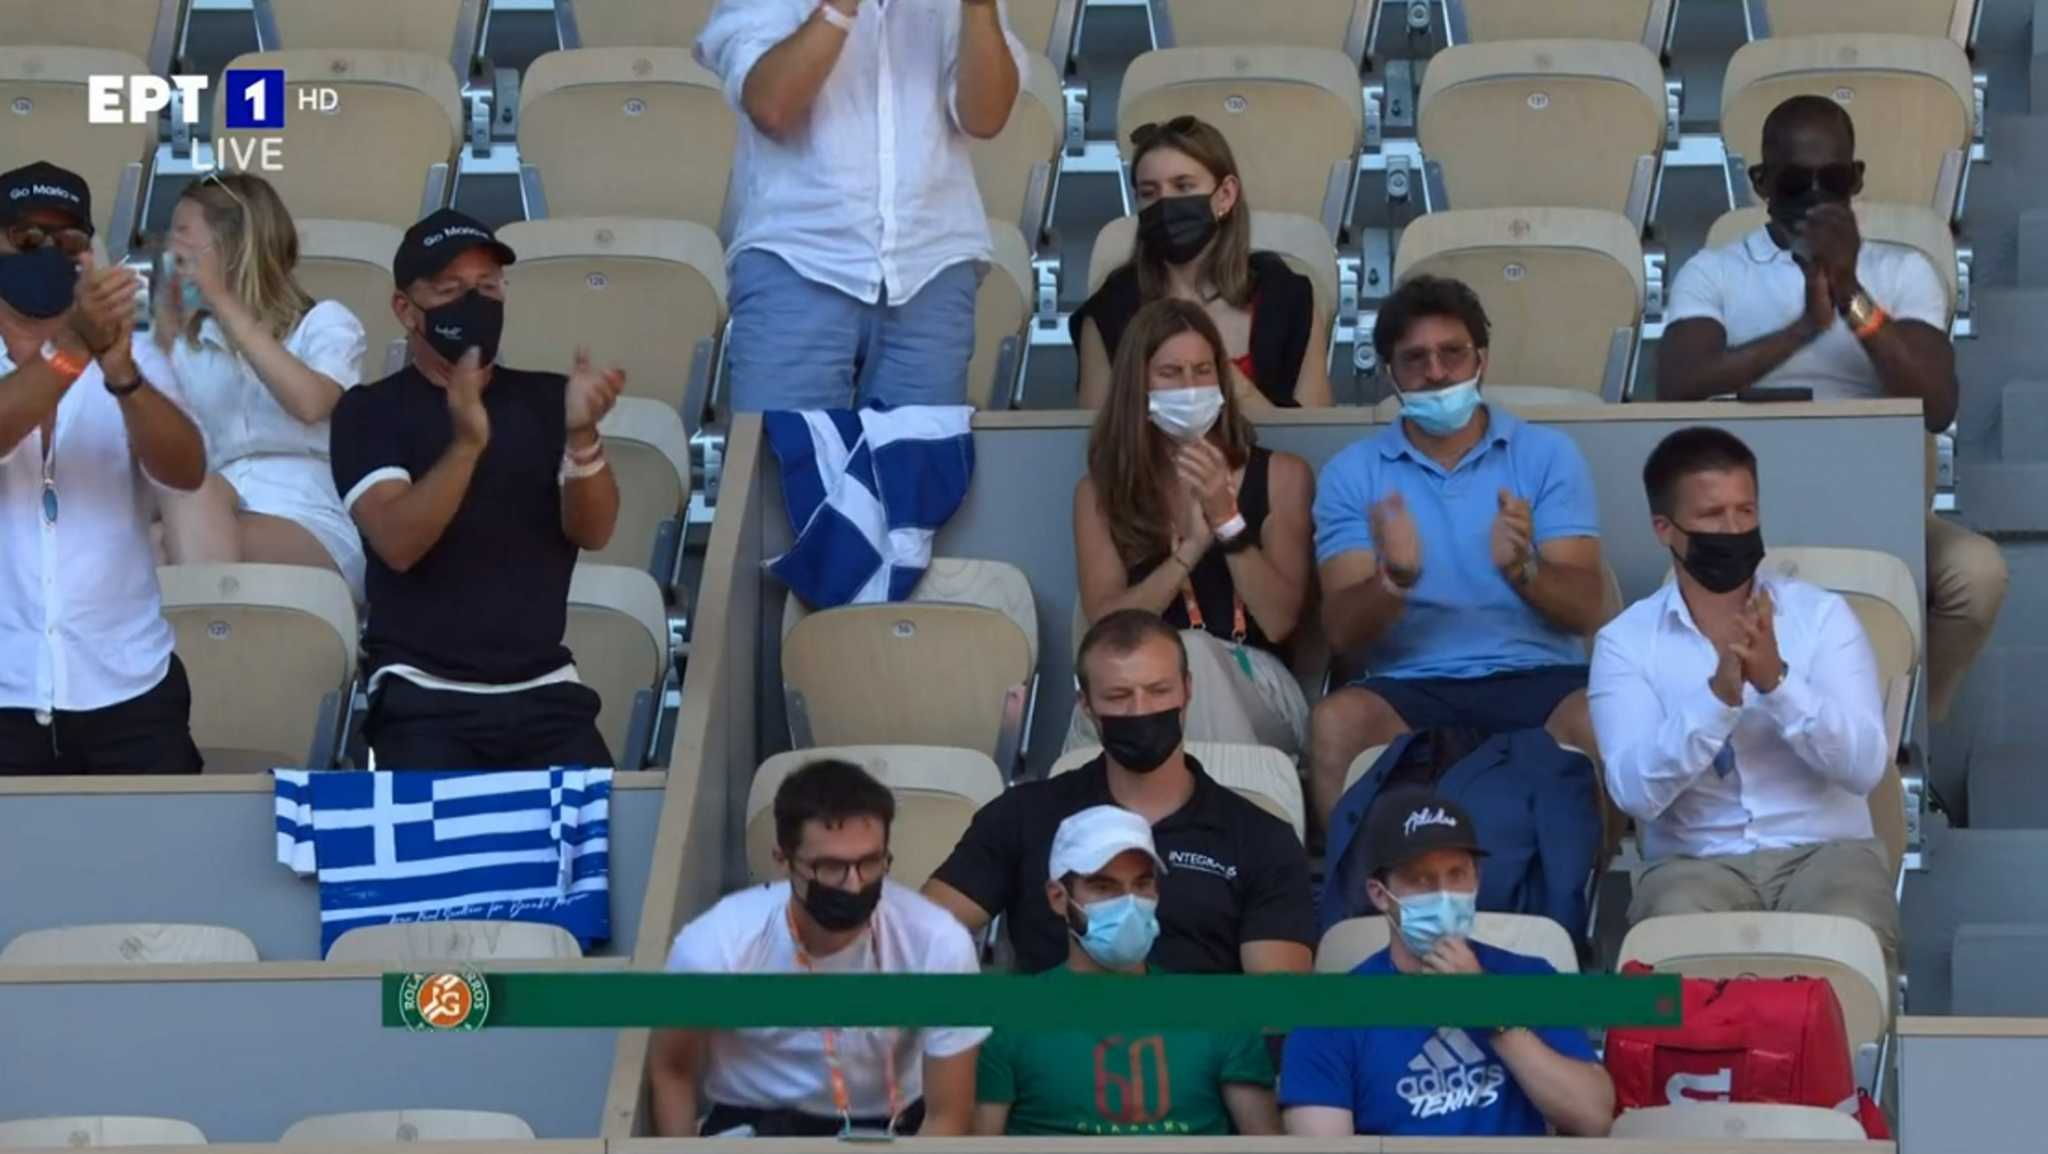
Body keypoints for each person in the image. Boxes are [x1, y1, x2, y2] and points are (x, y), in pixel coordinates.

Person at [1658, 93, 2005, 724]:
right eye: (1796, 182)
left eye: (1834, 180)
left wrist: (1850, 295)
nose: (1816, 197)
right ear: (1761, 182)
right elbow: (1676, 383)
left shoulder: (1903, 272)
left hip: (1881, 511)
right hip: (1745, 516)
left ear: (1857, 179)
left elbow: (1936, 404)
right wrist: (1801, 331)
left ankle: (1902, 728)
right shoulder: (1716, 272)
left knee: (1976, 574)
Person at [1590, 427, 1899, 966]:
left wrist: (1779, 684)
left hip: (1825, 855)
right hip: (1694, 864)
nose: (1733, 530)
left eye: (1746, 511)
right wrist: (1715, 701)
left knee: (1849, 930)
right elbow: (1633, 794)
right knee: (1672, 934)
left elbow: (1865, 767)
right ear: (1664, 529)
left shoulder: (1822, 618)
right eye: (1712, 516)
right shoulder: (1626, 643)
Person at [329, 208, 625, 769]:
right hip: (421, 695)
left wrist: (583, 437)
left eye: (488, 288)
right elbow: (397, 541)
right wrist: (467, 444)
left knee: (600, 824)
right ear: (405, 310)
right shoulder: (368, 412)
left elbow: (593, 531)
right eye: (450, 291)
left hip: (546, 690)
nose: (474, 304)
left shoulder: (548, 400)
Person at [1308, 275, 1607, 826]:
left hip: (1541, 677)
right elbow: (1341, 633)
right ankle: (1351, 884)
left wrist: (1523, 570)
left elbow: (1588, 610)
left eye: (1452, 353)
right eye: (1415, 358)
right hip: (1408, 687)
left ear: (1481, 360)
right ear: (1391, 374)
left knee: (1603, 718)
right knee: (1335, 723)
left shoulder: (1546, 455)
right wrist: (1393, 581)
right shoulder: (1352, 472)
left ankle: (1583, 882)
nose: (1437, 372)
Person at [925, 609, 1315, 975]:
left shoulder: (1260, 838)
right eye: (1118, 696)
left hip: (1203, 1026)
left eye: (1158, 691)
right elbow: (916, 939)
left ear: (1187, 690)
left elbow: (1277, 1001)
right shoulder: (1022, 815)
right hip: (1050, 1022)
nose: (1140, 711)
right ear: (1087, 705)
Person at [697, 0, 1025, 411]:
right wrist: (840, 9)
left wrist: (979, 8)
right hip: (796, 260)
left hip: (931, 263)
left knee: (921, 454)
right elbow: (771, 107)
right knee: (785, 450)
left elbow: (986, 118)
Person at [0, 161, 209, 774]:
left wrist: (120, 371)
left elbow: (186, 471)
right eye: (26, 237)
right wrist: (73, 351)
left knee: (159, 839)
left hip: (129, 684)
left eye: (66, 239)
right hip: (5, 688)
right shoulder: (78, 347)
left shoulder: (136, 352)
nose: (47, 252)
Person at [650, 758, 986, 1137]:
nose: (854, 885)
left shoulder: (938, 943)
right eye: (831, 867)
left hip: (892, 1125)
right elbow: (672, 1070)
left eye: (870, 862)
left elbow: (947, 1115)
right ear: (783, 860)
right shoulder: (717, 944)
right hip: (757, 1124)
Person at [1280, 789, 1614, 1138]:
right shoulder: (1327, 1016)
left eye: (1456, 874)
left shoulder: (1531, 978)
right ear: (1380, 894)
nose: (1443, 895)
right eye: (1420, 879)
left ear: (1477, 879)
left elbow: (1593, 1117)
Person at [1072, 299, 1314, 756]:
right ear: (1138, 385)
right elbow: (1106, 630)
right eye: (1171, 373)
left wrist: (1227, 521)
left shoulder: (1282, 475)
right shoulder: (1099, 492)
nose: (1190, 388)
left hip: (1257, 681)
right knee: (1124, 683)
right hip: (1141, 681)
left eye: (1203, 371)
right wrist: (1189, 551)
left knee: (1194, 656)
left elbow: (1280, 621)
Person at [974, 804, 1282, 1136]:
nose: (1129, 902)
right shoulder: (1009, 1022)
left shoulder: (1218, 1014)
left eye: (1142, 884)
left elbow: (1267, 1143)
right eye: (1103, 887)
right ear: (1058, 897)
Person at [153, 172, 369, 597]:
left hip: (307, 519)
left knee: (164, 545)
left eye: (182, 232)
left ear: (232, 246)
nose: (168, 249)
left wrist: (221, 298)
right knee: (161, 524)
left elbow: (309, 404)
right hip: (205, 507)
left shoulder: (324, 323)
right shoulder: (185, 344)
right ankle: (218, 633)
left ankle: (211, 633)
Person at [1073, 115, 1332, 411]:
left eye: (1183, 186)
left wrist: (1232, 386)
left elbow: (1312, 431)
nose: (1164, 203)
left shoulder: (1287, 298)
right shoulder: (1109, 311)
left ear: (1226, 195)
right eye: (1149, 193)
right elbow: (1098, 434)